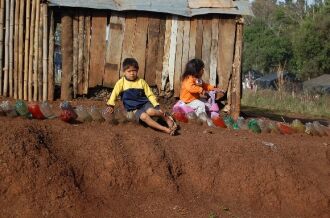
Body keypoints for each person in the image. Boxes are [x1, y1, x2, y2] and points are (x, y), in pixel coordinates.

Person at [106, 58, 177, 135]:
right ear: (124, 72)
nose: (132, 73)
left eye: (134, 71)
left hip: (144, 103)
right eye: (129, 71)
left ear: (137, 70)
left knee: (151, 111)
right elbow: (114, 94)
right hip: (133, 107)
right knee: (144, 117)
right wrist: (111, 105)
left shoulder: (141, 82)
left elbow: (150, 94)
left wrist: (156, 106)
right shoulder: (121, 83)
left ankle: (166, 117)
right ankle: (165, 129)